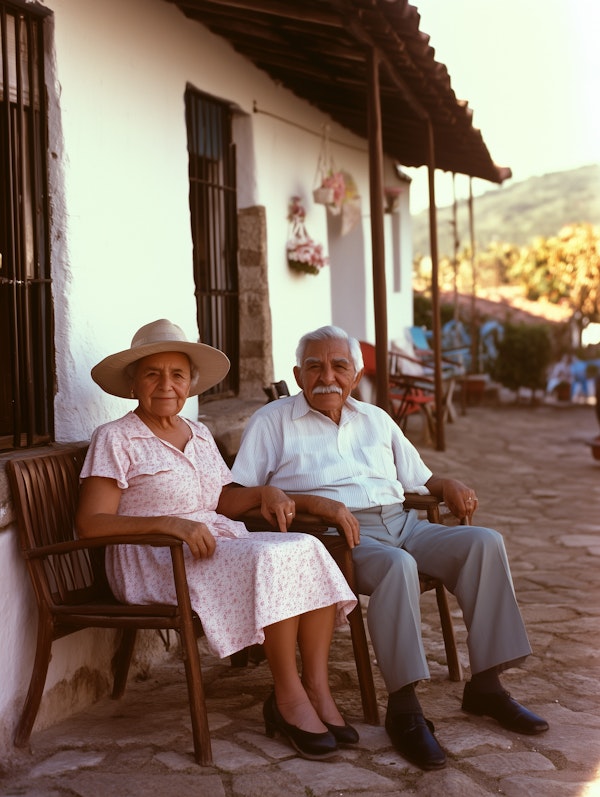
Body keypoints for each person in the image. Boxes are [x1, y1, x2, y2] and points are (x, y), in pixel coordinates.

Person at [231, 324, 549, 771]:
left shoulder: (376, 419)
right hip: (336, 540)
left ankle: (487, 687)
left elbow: (420, 479)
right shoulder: (273, 421)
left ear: (355, 374)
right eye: (315, 366)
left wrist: (447, 483)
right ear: (299, 374)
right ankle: (404, 708)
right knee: (398, 566)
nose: (328, 376)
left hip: (403, 523)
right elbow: (240, 493)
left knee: (484, 542)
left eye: (339, 366)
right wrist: (309, 505)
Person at [75, 319, 359, 761]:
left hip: (209, 544)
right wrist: (172, 525)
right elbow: (91, 523)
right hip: (154, 558)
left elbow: (223, 500)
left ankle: (317, 690)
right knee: (271, 561)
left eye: (177, 375)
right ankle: (288, 699)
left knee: (307, 548)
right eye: (152, 374)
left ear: (190, 383)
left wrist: (265, 493)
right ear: (133, 383)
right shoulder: (114, 438)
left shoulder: (200, 433)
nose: (166, 385)